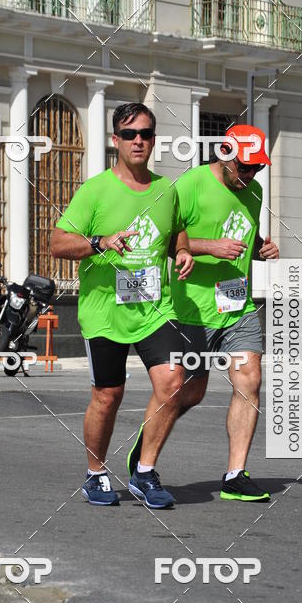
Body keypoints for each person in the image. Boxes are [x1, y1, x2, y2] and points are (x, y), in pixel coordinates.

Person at [51, 102, 194, 509]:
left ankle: (145, 472)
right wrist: (99, 242)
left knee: (172, 382)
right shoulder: (95, 190)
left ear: (153, 139)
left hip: (154, 309)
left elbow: (176, 232)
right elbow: (57, 242)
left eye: (145, 134)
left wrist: (182, 252)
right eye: (129, 134)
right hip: (104, 312)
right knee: (108, 395)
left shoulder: (167, 190)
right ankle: (95, 473)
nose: (138, 141)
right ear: (115, 140)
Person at [128, 124, 279, 502]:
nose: (250, 176)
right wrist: (208, 247)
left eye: (257, 169)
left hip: (236, 305)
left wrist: (260, 250)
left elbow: (245, 237)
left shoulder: (254, 192)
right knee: (189, 393)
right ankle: (147, 444)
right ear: (225, 154)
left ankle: (235, 475)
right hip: (190, 308)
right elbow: (156, 239)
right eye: (245, 167)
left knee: (250, 378)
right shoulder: (190, 185)